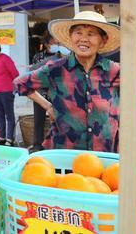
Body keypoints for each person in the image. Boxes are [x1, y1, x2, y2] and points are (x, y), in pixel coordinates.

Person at [14, 11, 120, 152]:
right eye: (78, 33)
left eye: (90, 34)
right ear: (70, 37)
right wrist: (48, 107)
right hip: (65, 152)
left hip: (105, 153)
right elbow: (20, 83)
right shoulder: (56, 68)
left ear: (103, 40)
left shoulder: (114, 70)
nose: (83, 39)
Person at [27, 33, 70, 152]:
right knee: (39, 120)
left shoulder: (69, 58)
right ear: (47, 44)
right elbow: (31, 73)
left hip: (58, 94)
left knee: (59, 121)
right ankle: (37, 145)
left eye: (59, 43)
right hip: (41, 93)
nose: (56, 45)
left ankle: (55, 145)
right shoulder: (43, 58)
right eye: (54, 43)